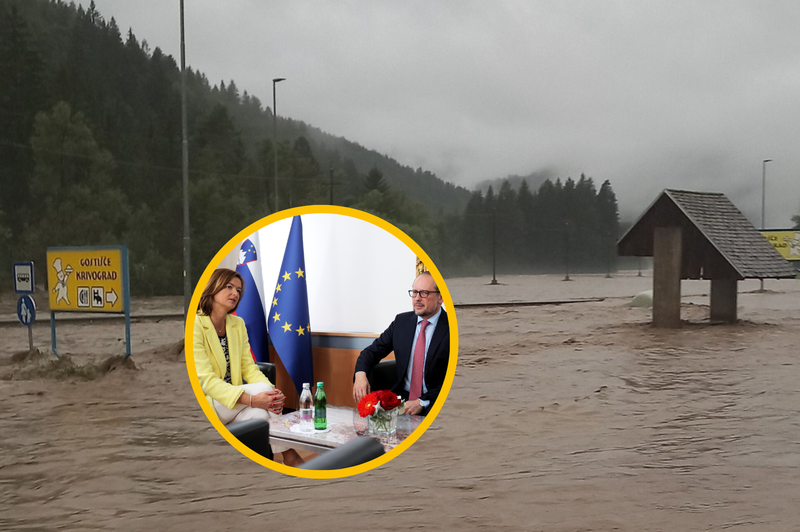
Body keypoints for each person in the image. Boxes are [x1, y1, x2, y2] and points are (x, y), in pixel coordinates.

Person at [193, 268, 304, 467]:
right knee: (264, 394)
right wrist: (253, 399)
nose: (235, 293)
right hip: (209, 404)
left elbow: (249, 368)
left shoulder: (237, 324)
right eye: (229, 287)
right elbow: (205, 381)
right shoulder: (195, 325)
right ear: (213, 287)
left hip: (233, 405)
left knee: (261, 417)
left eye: (238, 289)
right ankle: (290, 456)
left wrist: (273, 393)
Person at [353, 272, 450, 416]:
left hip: (436, 402)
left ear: (440, 297)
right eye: (415, 292)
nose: (417, 299)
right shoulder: (401, 322)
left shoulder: (452, 329)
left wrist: (422, 402)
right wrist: (360, 375)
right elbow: (371, 352)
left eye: (424, 293)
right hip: (401, 399)